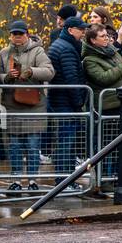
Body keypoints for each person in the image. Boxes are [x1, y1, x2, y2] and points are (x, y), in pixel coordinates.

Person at [0, 19, 55, 191]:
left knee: (32, 145)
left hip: (34, 106)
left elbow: (49, 72)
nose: (17, 37)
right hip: (11, 105)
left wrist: (31, 72)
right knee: (13, 146)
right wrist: (7, 77)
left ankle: (32, 181)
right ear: (10, 35)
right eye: (14, 34)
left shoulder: (38, 51)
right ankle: (15, 180)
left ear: (27, 34)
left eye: (20, 34)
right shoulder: (3, 53)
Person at [46, 15, 89, 183]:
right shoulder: (67, 48)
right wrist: (79, 101)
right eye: (81, 30)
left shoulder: (62, 44)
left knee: (66, 142)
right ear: (71, 30)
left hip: (61, 101)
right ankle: (64, 181)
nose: (84, 33)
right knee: (66, 143)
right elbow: (71, 78)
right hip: (66, 102)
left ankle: (65, 180)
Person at [81, 23, 122, 113]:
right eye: (102, 36)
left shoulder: (112, 51)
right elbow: (103, 78)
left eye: (107, 35)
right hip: (109, 105)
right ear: (93, 40)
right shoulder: (89, 60)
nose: (107, 38)